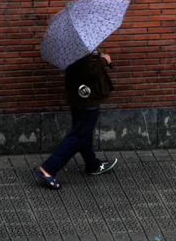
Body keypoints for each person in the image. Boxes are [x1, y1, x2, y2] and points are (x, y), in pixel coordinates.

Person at [33, 49, 117, 190]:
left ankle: (92, 164)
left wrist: (96, 56)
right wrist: (104, 60)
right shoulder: (81, 48)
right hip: (86, 98)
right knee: (79, 136)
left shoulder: (74, 47)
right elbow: (89, 72)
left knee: (83, 133)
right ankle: (48, 168)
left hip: (77, 96)